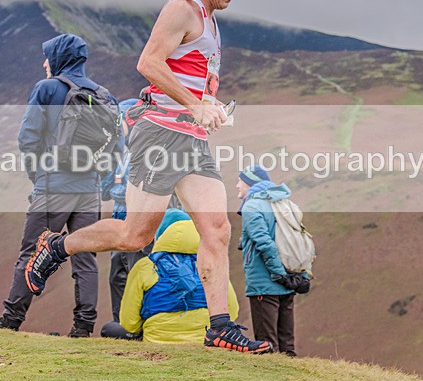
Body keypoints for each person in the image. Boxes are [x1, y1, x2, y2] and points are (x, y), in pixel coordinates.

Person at [24, 0, 272, 353]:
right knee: (134, 235)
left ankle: (219, 328)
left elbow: (186, 76)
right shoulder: (182, 9)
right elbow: (149, 63)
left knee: (218, 229)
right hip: (160, 136)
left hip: (191, 139)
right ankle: (56, 245)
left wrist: (208, 105)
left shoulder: (210, 22)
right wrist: (195, 103)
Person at [0, 34, 104, 338]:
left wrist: (39, 177)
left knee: (31, 252)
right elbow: (115, 148)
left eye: (47, 56)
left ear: (59, 56)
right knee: (85, 256)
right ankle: (83, 327)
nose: (44, 63)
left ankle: (10, 322)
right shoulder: (103, 94)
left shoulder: (46, 89)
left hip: (53, 186)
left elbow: (28, 138)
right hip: (89, 191)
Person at [102, 209, 240, 343]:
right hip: (202, 337)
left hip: (157, 339)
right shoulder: (211, 264)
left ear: (161, 233)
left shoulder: (145, 266)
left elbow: (129, 323)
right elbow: (232, 311)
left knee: (108, 328)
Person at [236, 166, 310, 356]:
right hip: (289, 280)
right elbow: (300, 240)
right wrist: (296, 276)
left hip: (265, 282)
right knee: (287, 344)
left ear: (250, 183)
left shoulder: (252, 206)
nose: (237, 185)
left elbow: (264, 243)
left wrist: (279, 274)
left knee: (266, 344)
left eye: (240, 181)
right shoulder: (284, 203)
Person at [99, 98, 152, 324]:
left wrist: (118, 189)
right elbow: (105, 191)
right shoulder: (122, 154)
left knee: (136, 276)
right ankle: (121, 326)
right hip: (120, 223)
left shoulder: (147, 151)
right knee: (117, 277)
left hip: (139, 225)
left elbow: (125, 192)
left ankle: (138, 327)